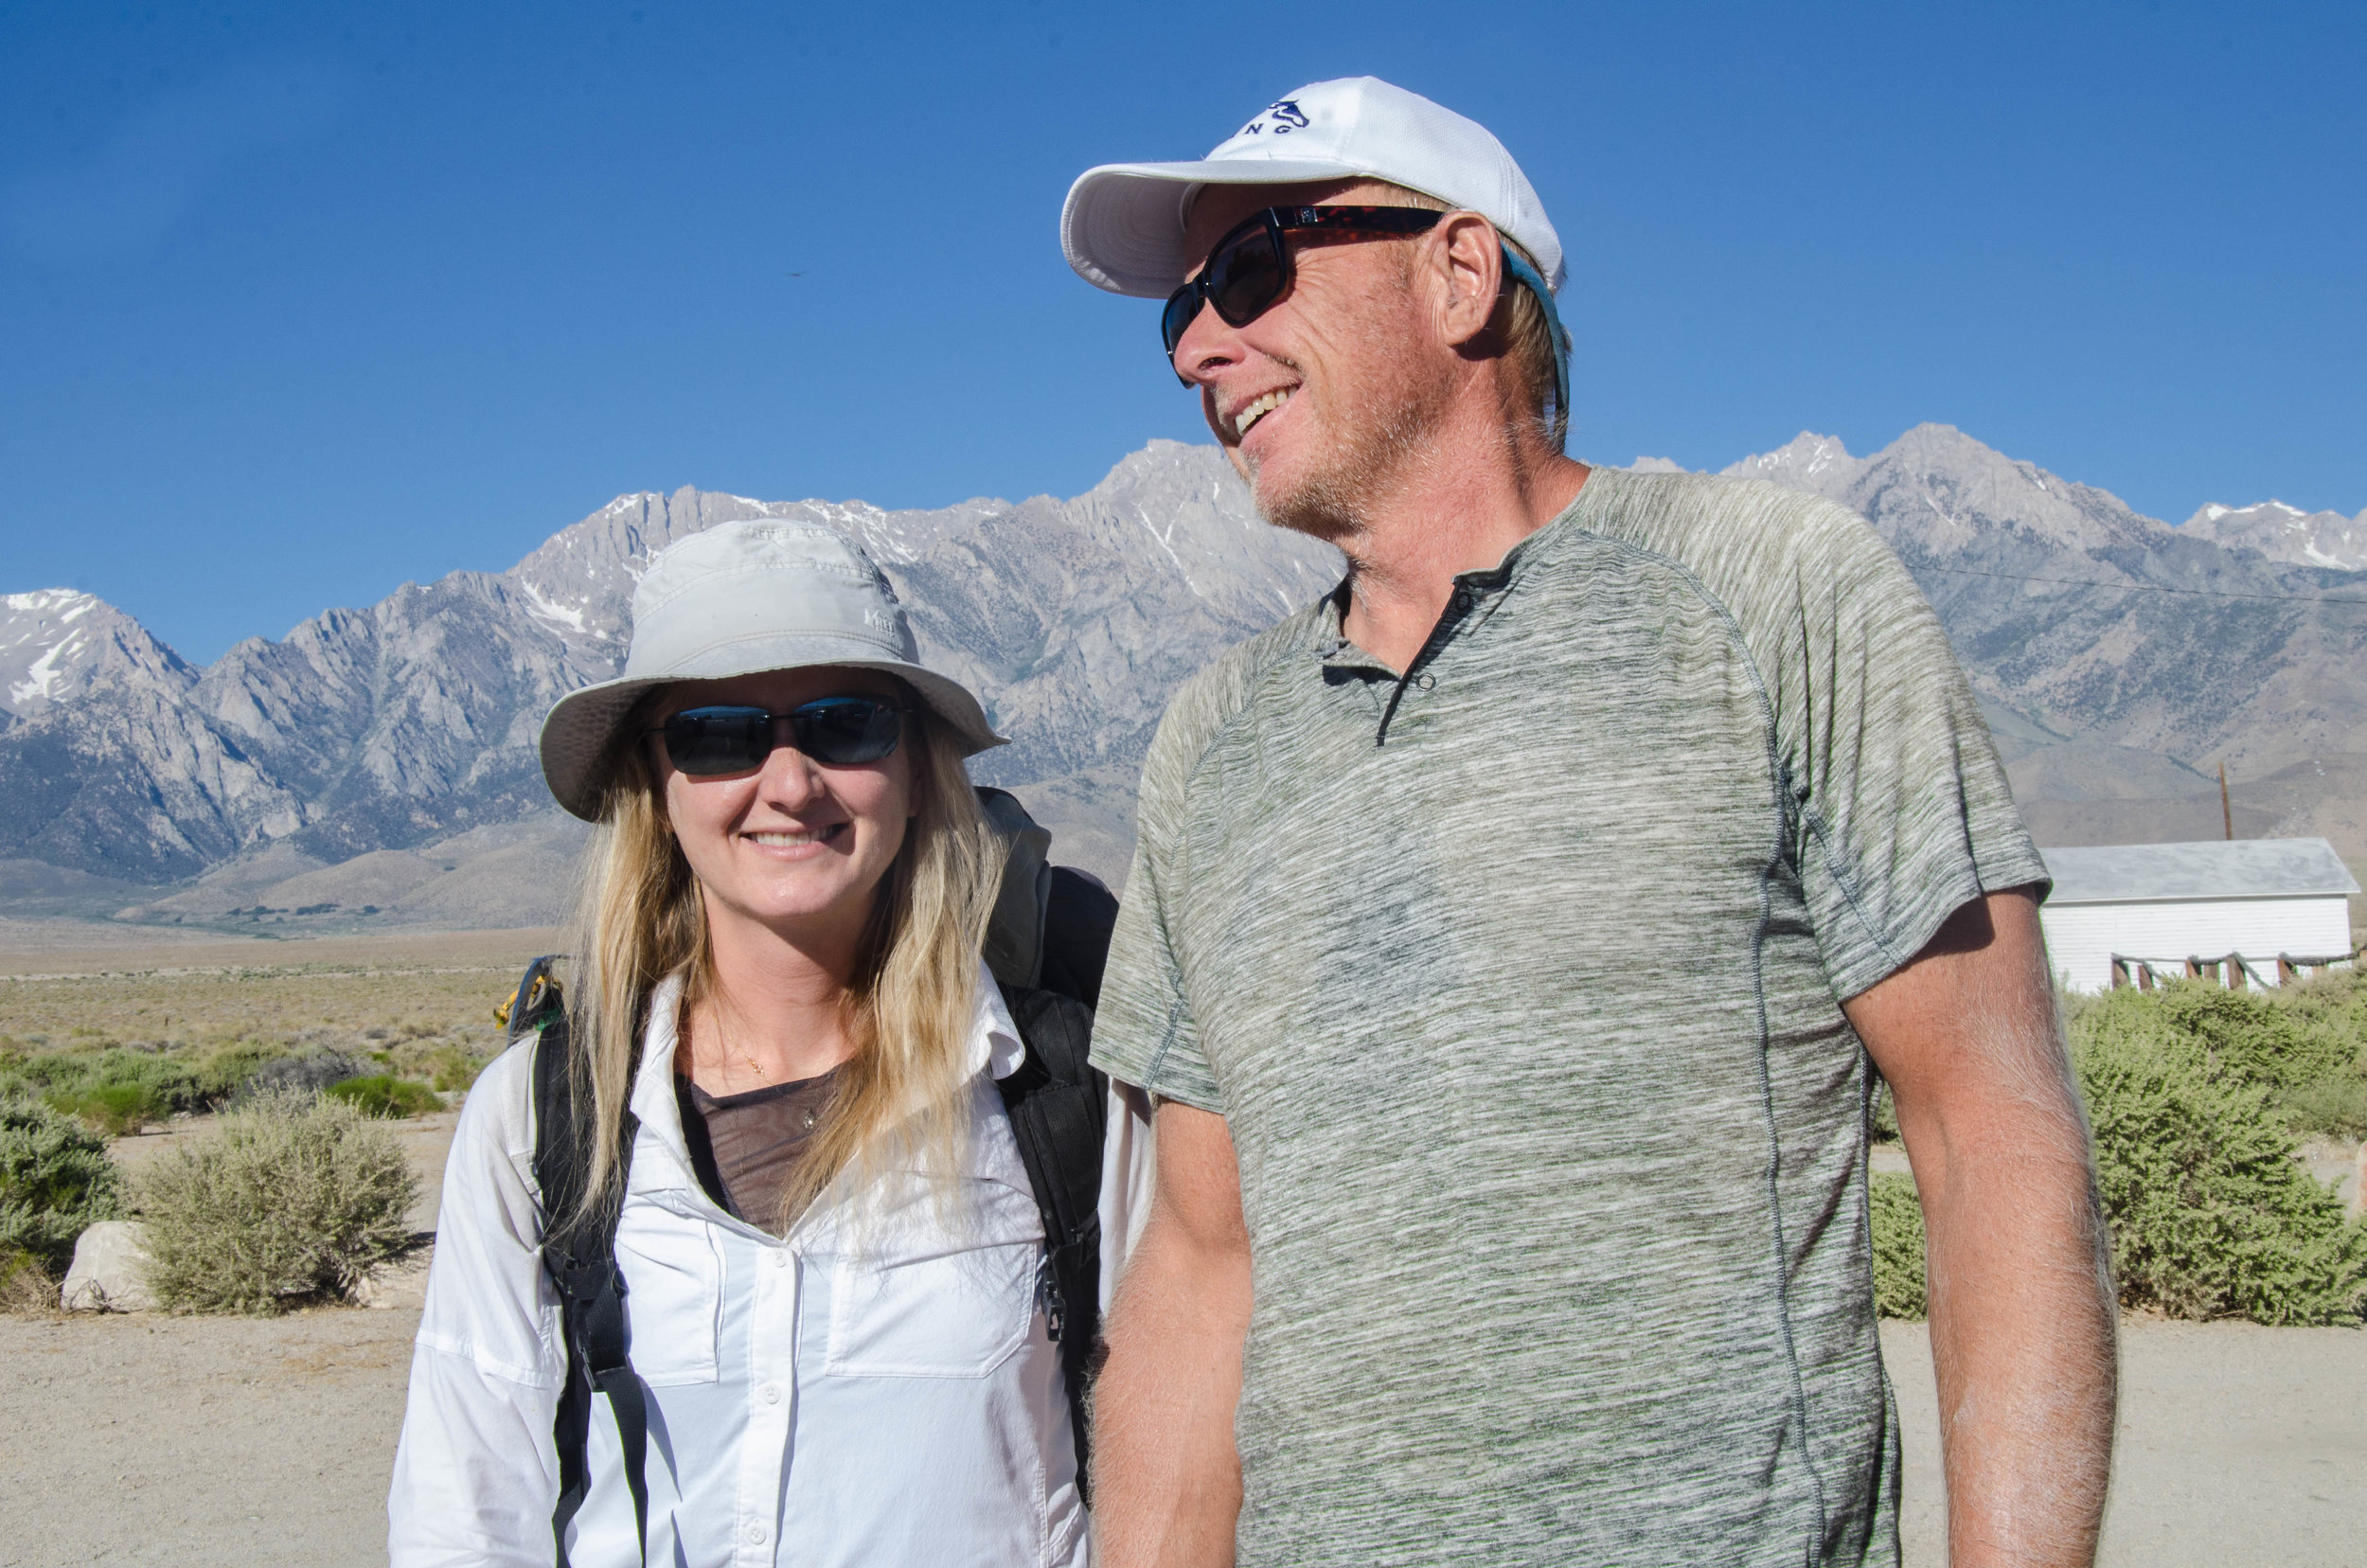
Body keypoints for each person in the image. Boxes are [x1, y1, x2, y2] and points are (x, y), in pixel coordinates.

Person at [1061, 76, 2116, 1568]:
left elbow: (1994, 1134)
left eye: (1249, 270)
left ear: (1459, 270)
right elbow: (1197, 1263)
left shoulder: (1775, 591)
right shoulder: (1208, 742)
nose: (1198, 352)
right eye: (1177, 313)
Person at [387, 520, 1095, 1567]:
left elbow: (1168, 1454)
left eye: (844, 725)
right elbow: (469, 1507)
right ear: (656, 786)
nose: (790, 782)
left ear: (914, 763)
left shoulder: (1055, 1089)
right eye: (718, 735)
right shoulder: (542, 1115)